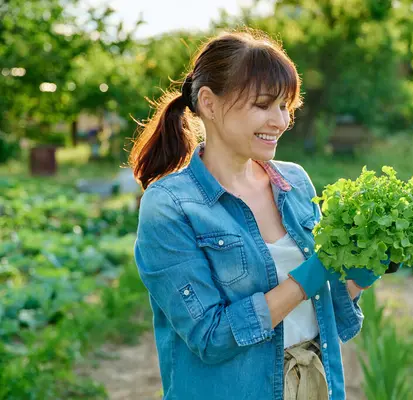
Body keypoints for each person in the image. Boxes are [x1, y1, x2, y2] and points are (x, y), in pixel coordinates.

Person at [129, 28, 382, 400]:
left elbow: (319, 315)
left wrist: (359, 276)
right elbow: (210, 337)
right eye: (263, 105)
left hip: (312, 387)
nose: (280, 121)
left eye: (285, 106)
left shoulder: (294, 182)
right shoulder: (170, 205)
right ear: (209, 104)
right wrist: (306, 278)